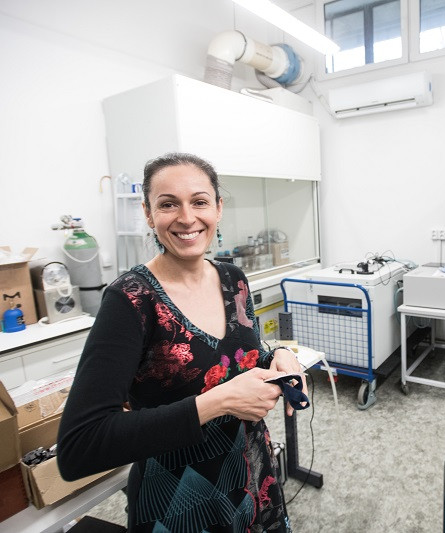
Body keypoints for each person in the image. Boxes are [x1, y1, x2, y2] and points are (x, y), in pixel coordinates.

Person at [57, 152, 306, 532]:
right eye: (168, 204)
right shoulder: (131, 300)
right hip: (180, 502)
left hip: (252, 479)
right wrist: (217, 403)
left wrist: (280, 357)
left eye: (199, 202)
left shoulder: (233, 279)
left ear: (218, 208)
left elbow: (237, 358)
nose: (187, 218)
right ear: (148, 213)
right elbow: (81, 446)